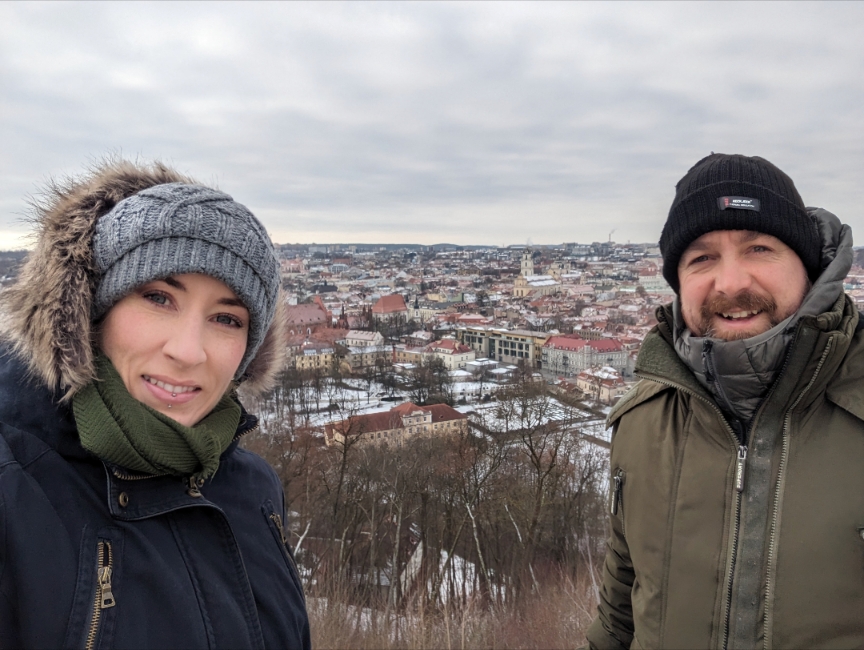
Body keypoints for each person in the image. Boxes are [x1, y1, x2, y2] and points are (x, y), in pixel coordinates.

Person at [0, 160, 311, 648]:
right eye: (159, 297)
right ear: (93, 309)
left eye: (227, 319)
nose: (187, 351)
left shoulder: (254, 490)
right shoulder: (13, 488)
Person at [586, 154, 864, 649]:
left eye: (759, 247)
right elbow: (621, 608)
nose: (731, 283)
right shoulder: (644, 418)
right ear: (677, 283)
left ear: (808, 264)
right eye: (701, 258)